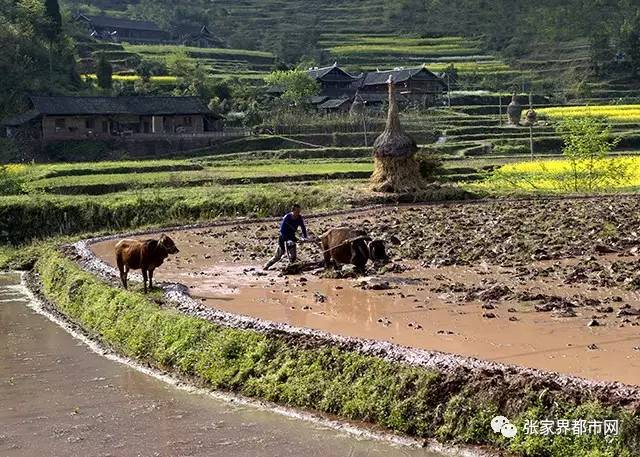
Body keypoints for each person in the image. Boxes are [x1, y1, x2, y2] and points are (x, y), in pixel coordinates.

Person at [264, 204, 308, 270]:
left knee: (293, 256)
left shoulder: (299, 217)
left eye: (299, 211)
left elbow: (303, 227)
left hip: (292, 237)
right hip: (283, 238)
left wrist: (305, 237)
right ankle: (266, 266)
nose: (298, 213)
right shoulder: (287, 217)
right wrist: (287, 240)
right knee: (278, 256)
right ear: (293, 211)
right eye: (296, 211)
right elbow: (282, 230)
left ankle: (291, 268)